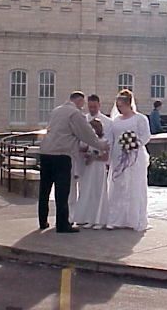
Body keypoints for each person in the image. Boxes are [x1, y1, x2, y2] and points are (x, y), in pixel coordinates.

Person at [38, 91, 109, 233]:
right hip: (62, 154)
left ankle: (43, 220)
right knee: (62, 191)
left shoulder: (56, 111)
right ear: (79, 101)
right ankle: (62, 224)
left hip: (45, 152)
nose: (83, 107)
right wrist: (101, 145)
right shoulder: (75, 114)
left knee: (44, 189)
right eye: (82, 104)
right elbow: (86, 134)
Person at [107, 89, 151, 231]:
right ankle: (116, 219)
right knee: (119, 186)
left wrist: (134, 144)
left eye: (121, 106)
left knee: (134, 186)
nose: (119, 109)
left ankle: (134, 219)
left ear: (128, 104)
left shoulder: (140, 119)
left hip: (135, 157)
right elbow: (112, 139)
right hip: (118, 156)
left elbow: (146, 136)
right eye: (117, 106)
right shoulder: (115, 121)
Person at [72, 118, 110, 228]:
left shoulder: (104, 141)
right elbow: (83, 151)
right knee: (89, 191)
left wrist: (95, 157)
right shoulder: (89, 142)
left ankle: (99, 219)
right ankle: (89, 218)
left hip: (99, 168)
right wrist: (87, 155)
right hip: (89, 168)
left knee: (98, 191)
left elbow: (106, 158)